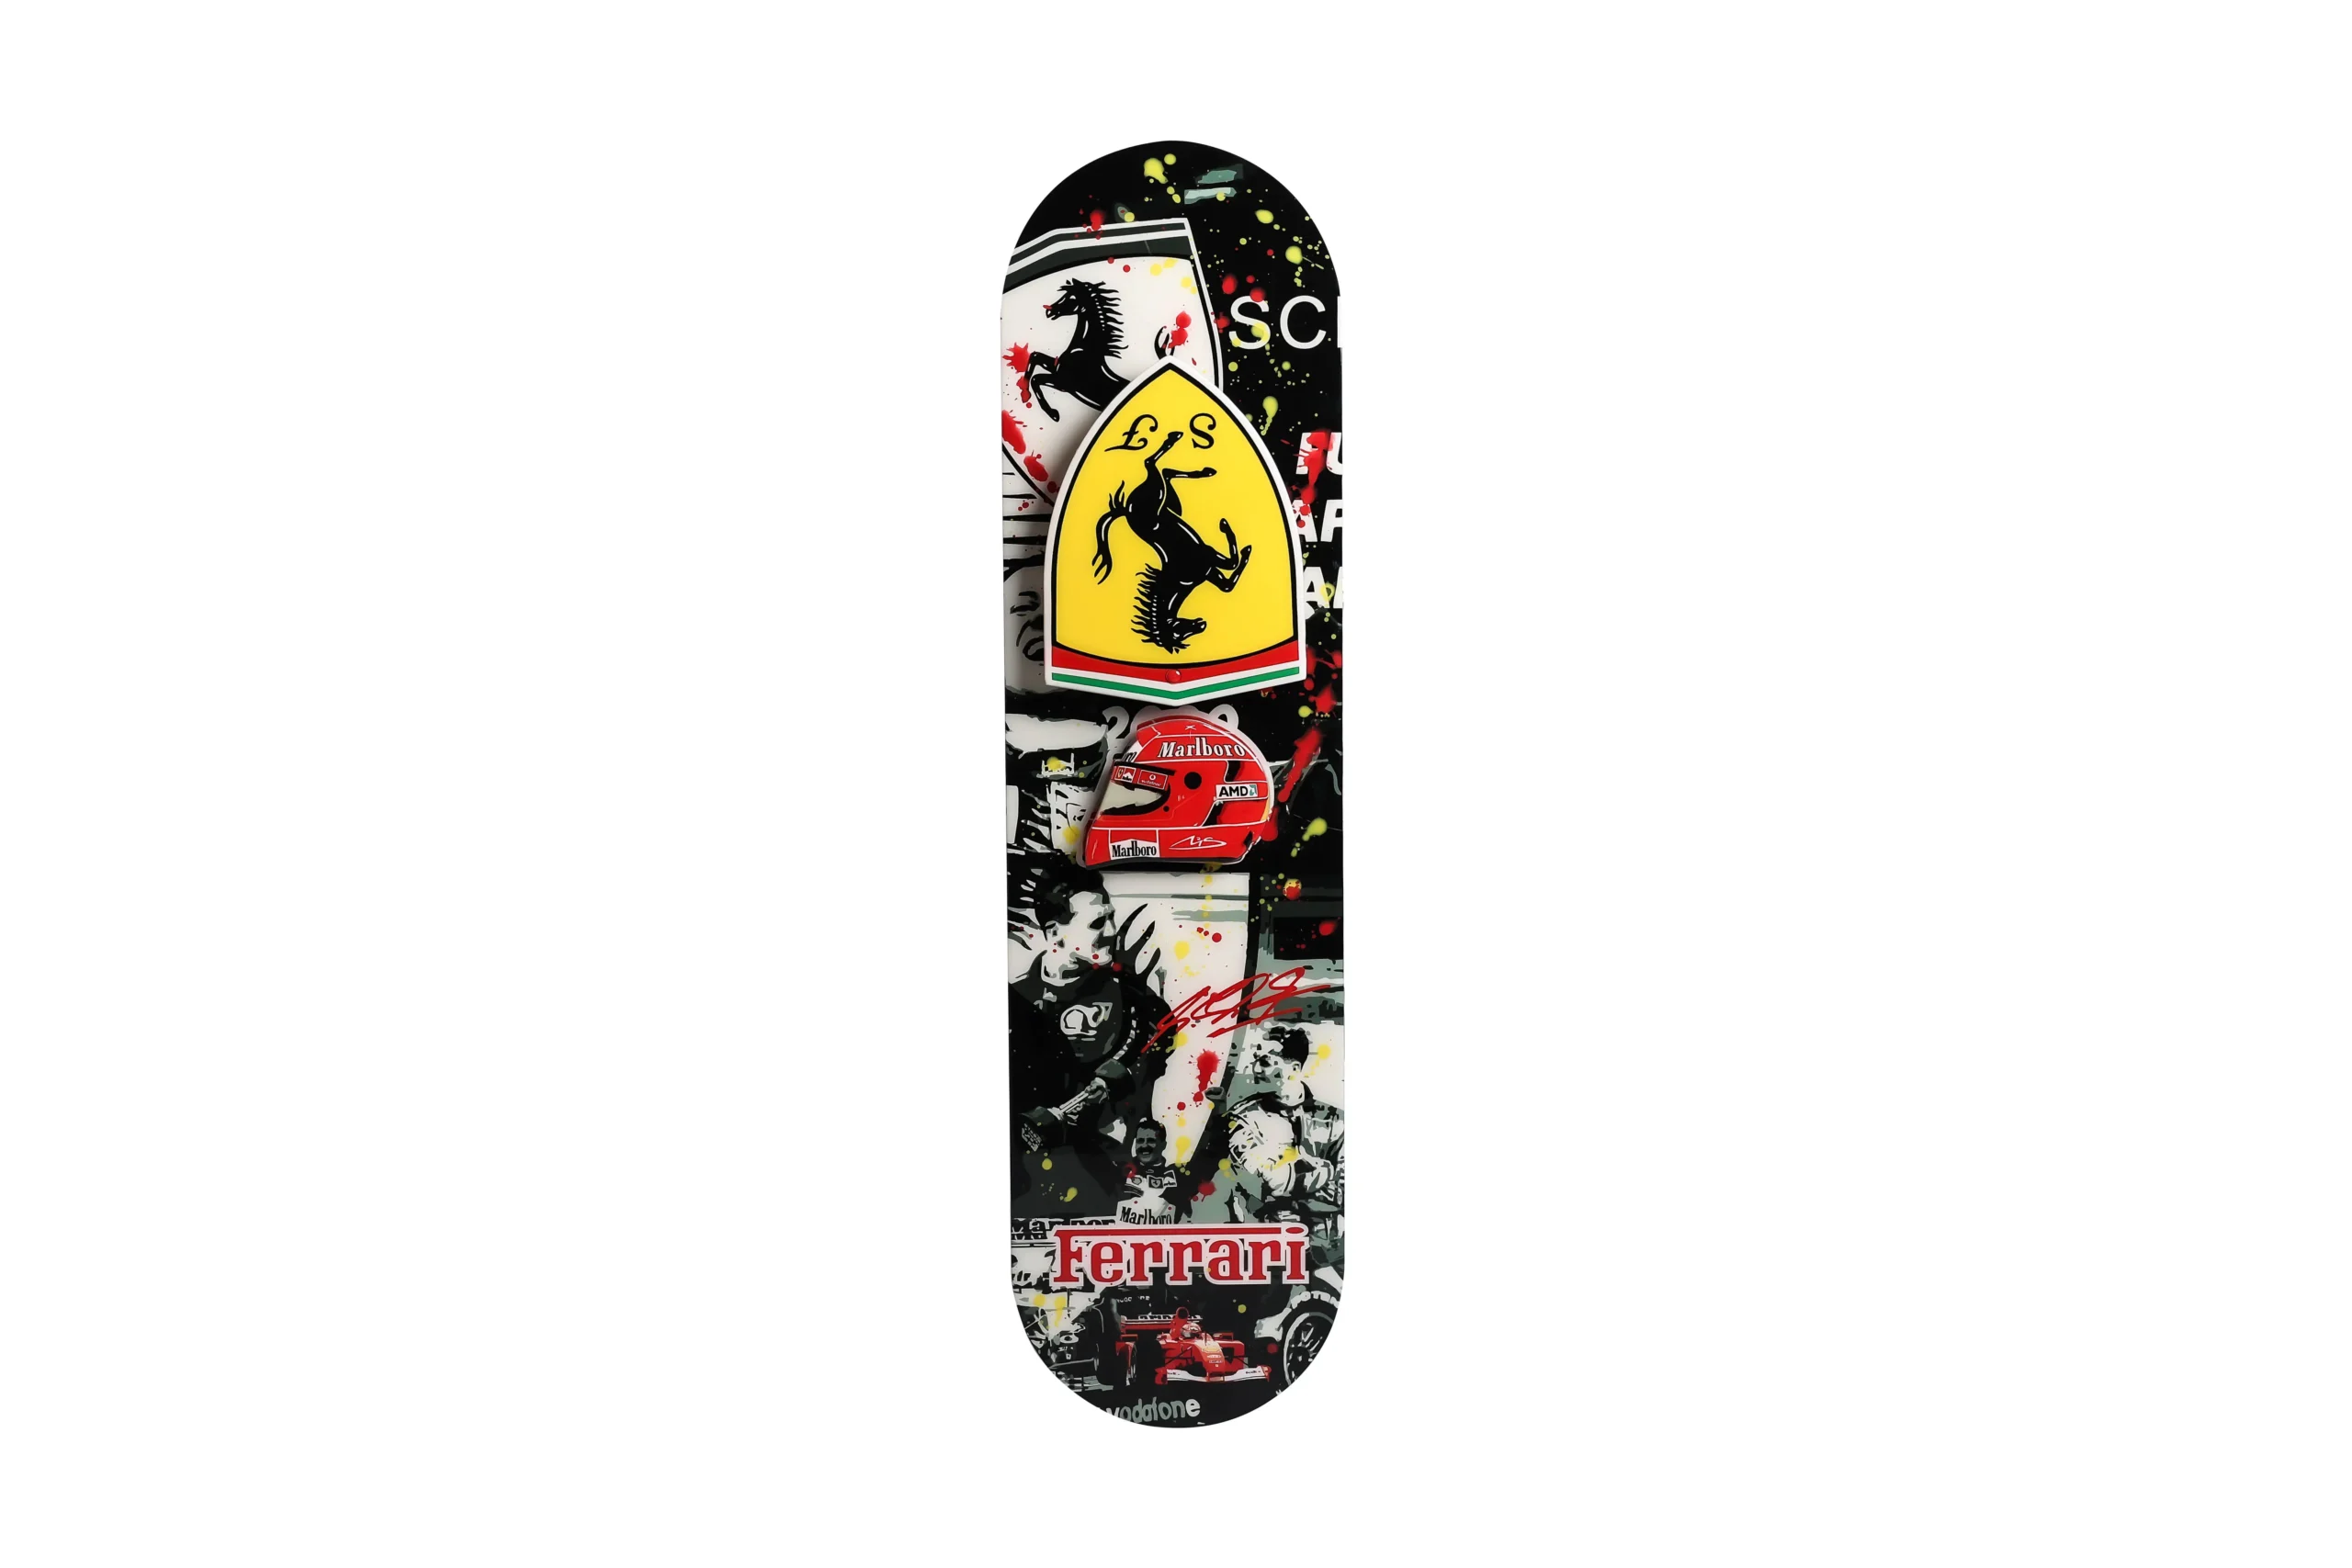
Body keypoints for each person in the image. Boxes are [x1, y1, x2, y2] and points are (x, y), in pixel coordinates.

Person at [1009, 863, 1173, 1214]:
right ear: (1055, 933)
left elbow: (1158, 1050)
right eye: (1099, 923)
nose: (1112, 931)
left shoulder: (1133, 999)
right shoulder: (1014, 1000)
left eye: (1111, 918)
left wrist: (1121, 1077)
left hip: (1106, 1189)